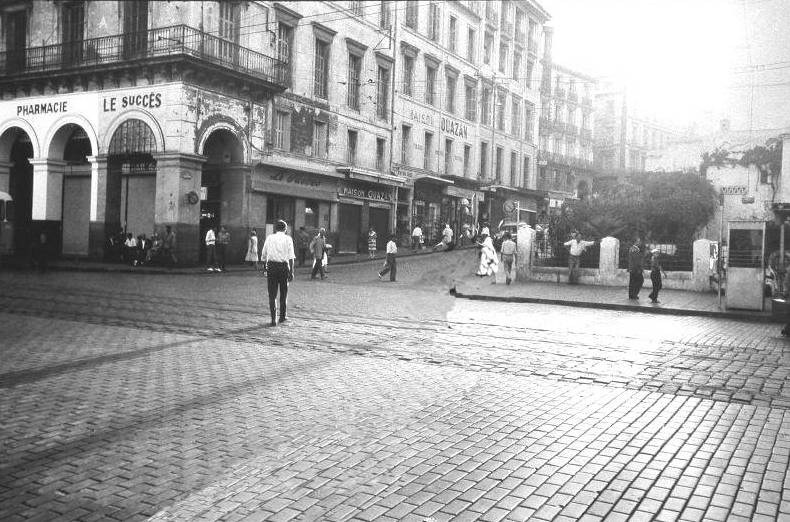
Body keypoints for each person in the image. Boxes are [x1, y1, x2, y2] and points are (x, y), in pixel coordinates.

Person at [260, 219, 295, 327]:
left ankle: (273, 319)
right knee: (283, 293)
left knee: (272, 294)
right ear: (285, 229)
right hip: (283, 267)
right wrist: (291, 271)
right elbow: (291, 257)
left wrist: (264, 268)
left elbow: (264, 254)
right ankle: (282, 316)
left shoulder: (270, 238)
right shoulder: (288, 239)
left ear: (275, 229)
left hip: (272, 267)